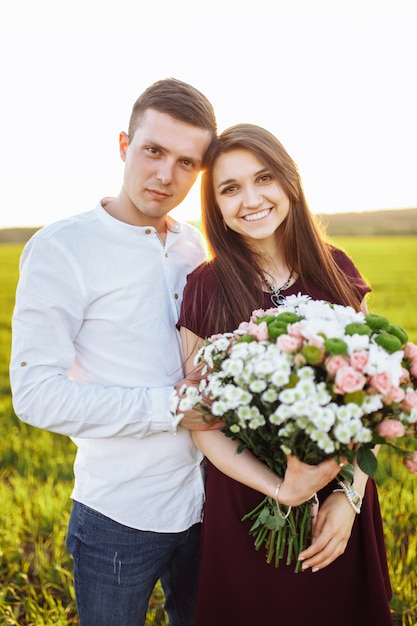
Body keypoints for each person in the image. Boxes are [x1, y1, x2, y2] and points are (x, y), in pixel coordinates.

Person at [9, 77, 221, 626]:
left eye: (186, 162)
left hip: (209, 503)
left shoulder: (192, 244)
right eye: (153, 151)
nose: (165, 175)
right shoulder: (62, 248)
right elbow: (36, 396)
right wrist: (169, 408)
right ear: (125, 145)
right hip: (118, 515)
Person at [177, 124, 394, 626]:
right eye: (229, 189)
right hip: (248, 508)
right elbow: (200, 419)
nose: (250, 199)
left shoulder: (336, 268)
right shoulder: (205, 287)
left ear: (289, 183)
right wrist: (284, 491)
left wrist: (346, 496)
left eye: (264, 178)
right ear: (216, 207)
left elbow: (373, 402)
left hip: (339, 500)